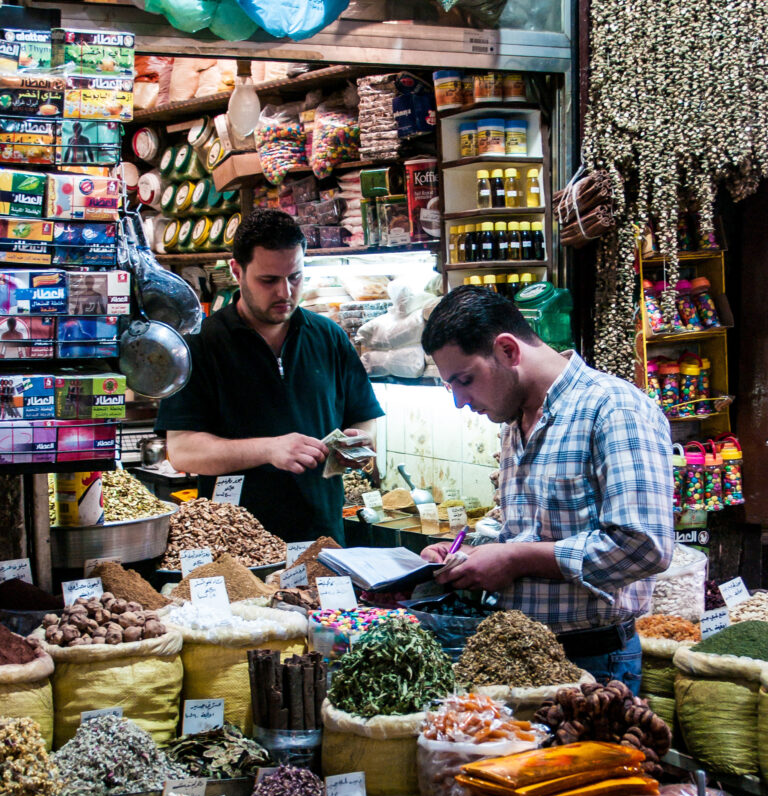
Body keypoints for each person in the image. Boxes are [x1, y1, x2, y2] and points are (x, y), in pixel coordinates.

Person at [420, 286, 674, 691]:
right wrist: (469, 557)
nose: (461, 402)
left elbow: (644, 545)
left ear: (507, 350)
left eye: (464, 381)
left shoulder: (614, 409)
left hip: (594, 662)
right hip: (515, 654)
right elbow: (528, 535)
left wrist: (516, 559)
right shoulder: (514, 423)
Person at [155, 209, 384, 544]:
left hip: (322, 539)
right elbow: (183, 451)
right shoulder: (199, 343)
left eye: (295, 277)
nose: (285, 293)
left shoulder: (329, 337)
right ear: (236, 271)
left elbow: (364, 418)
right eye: (269, 280)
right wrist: (269, 449)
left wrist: (357, 444)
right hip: (236, 544)